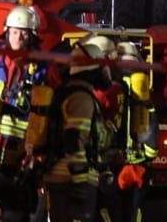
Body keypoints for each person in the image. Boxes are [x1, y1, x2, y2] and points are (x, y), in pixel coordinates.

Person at [0, 2, 60, 222]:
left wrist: (40, 157)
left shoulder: (45, 70)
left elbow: (53, 117)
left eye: (24, 33)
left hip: (18, 164)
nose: (18, 38)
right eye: (14, 32)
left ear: (33, 36)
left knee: (16, 217)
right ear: (6, 32)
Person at [41, 37, 115, 222]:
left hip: (66, 177)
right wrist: (81, 180)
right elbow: (74, 140)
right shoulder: (81, 98)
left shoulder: (74, 93)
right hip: (70, 179)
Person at [108, 40, 156, 222]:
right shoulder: (142, 89)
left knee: (112, 209)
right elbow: (151, 126)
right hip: (137, 164)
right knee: (133, 211)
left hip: (113, 163)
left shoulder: (110, 88)